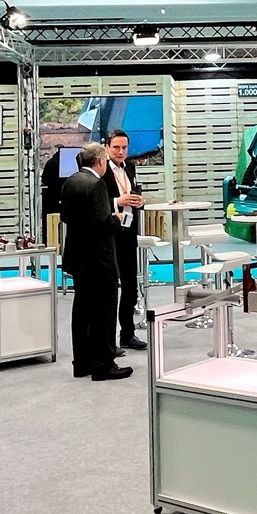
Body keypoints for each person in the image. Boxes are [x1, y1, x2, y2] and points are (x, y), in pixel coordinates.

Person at [59, 143, 132, 381]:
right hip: (99, 260)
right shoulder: (97, 184)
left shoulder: (71, 182)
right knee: (104, 313)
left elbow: (66, 217)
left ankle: (82, 363)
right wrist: (117, 219)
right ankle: (104, 364)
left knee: (82, 312)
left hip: (78, 258)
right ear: (100, 161)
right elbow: (103, 224)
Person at [101, 129, 147, 351]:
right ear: (107, 147)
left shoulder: (130, 167)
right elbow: (97, 200)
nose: (120, 152)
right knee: (109, 289)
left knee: (130, 287)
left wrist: (140, 201)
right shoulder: (101, 170)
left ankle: (127, 334)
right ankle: (107, 341)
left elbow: (134, 192)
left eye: (124, 148)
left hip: (129, 232)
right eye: (116, 147)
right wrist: (117, 201)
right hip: (109, 234)